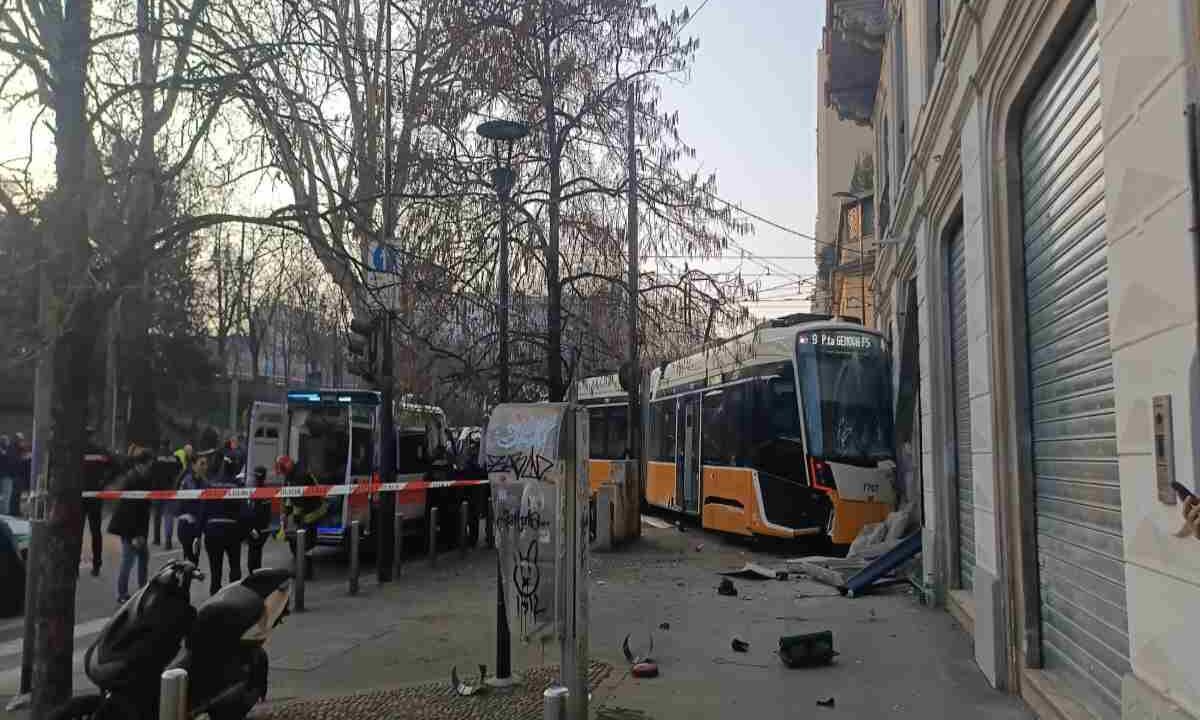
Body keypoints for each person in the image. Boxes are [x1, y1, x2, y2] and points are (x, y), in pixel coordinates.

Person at [107, 449, 155, 604]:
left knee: (141, 557)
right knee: (129, 560)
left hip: (136, 527)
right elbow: (129, 511)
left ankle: (141, 590)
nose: (150, 467)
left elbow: (143, 509)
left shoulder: (141, 478)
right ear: (141, 464)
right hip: (129, 527)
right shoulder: (133, 480)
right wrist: (135, 535)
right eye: (149, 464)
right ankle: (123, 593)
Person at [277, 455, 325, 580]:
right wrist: (286, 513)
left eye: (283, 470)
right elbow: (290, 496)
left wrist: (295, 517)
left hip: (313, 509)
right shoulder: (291, 474)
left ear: (288, 466)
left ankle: (306, 572)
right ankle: (304, 570)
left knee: (306, 541)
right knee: (302, 540)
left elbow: (298, 501)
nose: (283, 473)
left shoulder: (300, 475)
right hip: (306, 508)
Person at [202, 468, 243, 595]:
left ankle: (215, 598)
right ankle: (234, 596)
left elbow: (203, 508)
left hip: (213, 531)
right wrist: (244, 532)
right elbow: (244, 510)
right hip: (232, 531)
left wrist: (201, 531)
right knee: (235, 568)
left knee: (215, 571)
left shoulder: (210, 484)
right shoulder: (237, 485)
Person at [82, 428, 115, 577]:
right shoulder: (100, 451)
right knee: (95, 531)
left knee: (76, 531)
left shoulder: (77, 451)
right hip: (96, 494)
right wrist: (104, 482)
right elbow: (116, 466)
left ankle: (74, 566)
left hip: (79, 494)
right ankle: (96, 564)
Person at [174, 450, 210, 565]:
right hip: (187, 526)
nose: (205, 467)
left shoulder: (205, 482)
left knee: (194, 562)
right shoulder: (187, 481)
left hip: (197, 527)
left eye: (206, 464)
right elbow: (185, 503)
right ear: (193, 465)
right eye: (202, 464)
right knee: (190, 562)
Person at [241, 466, 272, 573]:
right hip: (262, 527)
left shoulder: (256, 491)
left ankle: (254, 575)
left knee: (254, 553)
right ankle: (256, 574)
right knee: (257, 553)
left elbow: (252, 511)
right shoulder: (265, 490)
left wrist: (250, 528)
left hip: (256, 528)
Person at [0, 435, 14, 517]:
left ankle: (3, 511)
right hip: (6, 475)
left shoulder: (6, 451)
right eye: (7, 441)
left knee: (4, 494)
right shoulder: (7, 452)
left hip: (5, 475)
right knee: (6, 494)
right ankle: (4, 512)